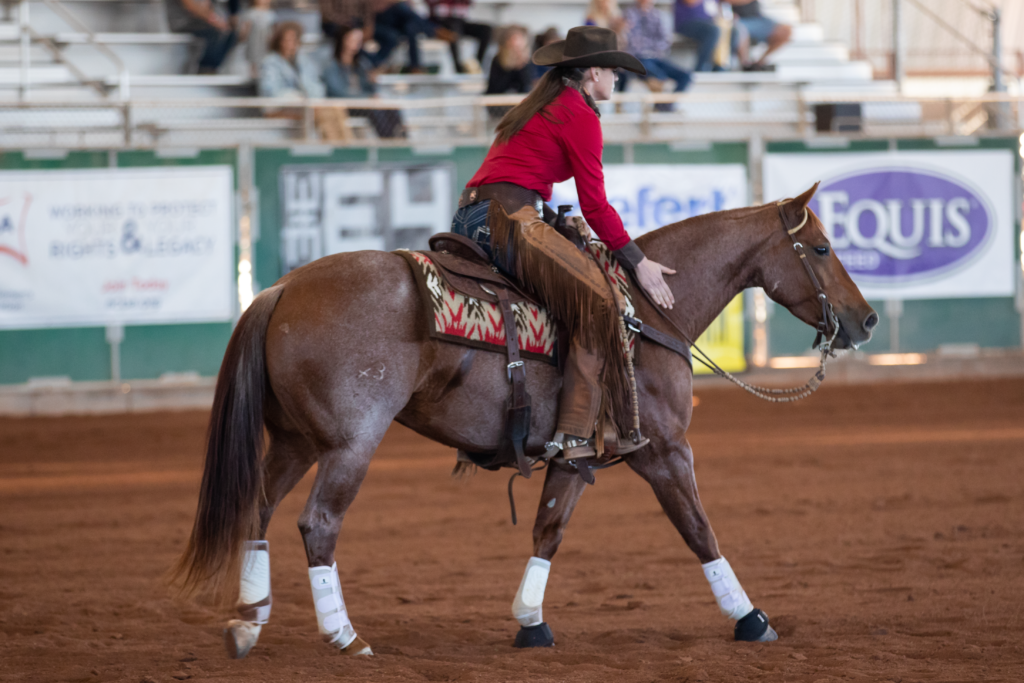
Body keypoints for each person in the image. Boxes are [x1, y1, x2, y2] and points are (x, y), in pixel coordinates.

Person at [450, 26, 676, 462]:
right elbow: (595, 205)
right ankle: (574, 433)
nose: (616, 80)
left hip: (474, 216)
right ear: (593, 73)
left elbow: (516, 174)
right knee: (600, 301)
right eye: (613, 71)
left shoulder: (543, 104)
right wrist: (639, 261)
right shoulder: (579, 114)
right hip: (506, 219)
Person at [323, 24, 405, 138]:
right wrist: (366, 98)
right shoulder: (331, 66)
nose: (357, 43)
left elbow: (369, 88)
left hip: (363, 102)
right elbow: (336, 92)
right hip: (345, 105)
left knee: (390, 107)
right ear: (343, 39)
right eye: (353, 39)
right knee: (374, 109)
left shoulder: (361, 64)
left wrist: (371, 82)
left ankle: (401, 138)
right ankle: (388, 141)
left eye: (359, 40)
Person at [625, 0, 691, 94]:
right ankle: (662, 105)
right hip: (638, 58)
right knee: (659, 77)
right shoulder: (628, 15)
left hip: (656, 58)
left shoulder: (659, 16)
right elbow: (630, 41)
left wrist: (653, 51)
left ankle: (668, 105)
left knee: (685, 76)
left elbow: (665, 40)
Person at [372, 0, 458, 72]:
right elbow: (376, 7)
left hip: (395, 21)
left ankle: (415, 67)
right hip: (379, 21)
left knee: (411, 27)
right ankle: (435, 30)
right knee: (402, 8)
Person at [258, 22, 326, 100]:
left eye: (294, 40)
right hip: (280, 109)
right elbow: (270, 91)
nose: (290, 45)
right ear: (279, 41)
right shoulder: (270, 62)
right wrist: (296, 97)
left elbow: (318, 89)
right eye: (286, 40)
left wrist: (306, 96)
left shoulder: (304, 61)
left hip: (306, 108)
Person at [165, 0, 238, 73]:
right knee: (215, 36)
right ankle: (205, 71)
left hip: (201, 25)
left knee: (231, 35)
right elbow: (192, 7)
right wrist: (216, 21)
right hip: (186, 25)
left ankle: (208, 69)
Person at [424, 0, 492, 74]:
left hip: (460, 20)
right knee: (453, 29)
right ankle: (458, 68)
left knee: (486, 30)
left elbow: (468, 4)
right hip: (441, 21)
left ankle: (476, 65)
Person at [730, 0, 791, 71]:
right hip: (737, 19)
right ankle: (745, 65)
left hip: (757, 18)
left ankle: (760, 63)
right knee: (740, 29)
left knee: (785, 30)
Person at [585, 0, 629, 91]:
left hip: (614, 57)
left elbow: (623, 43)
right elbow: (592, 43)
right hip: (598, 57)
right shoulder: (591, 20)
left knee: (623, 75)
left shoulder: (617, 18)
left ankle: (619, 103)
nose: (604, 2)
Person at [674, 0, 720, 72]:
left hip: (709, 23)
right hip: (687, 23)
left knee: (731, 30)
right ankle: (701, 67)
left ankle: (719, 65)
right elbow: (690, 2)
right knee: (713, 30)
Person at [240, 0, 276, 78]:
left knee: (265, 58)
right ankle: (254, 76)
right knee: (253, 58)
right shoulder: (251, 13)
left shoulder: (271, 13)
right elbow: (246, 28)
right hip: (254, 40)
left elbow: (273, 28)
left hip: (265, 40)